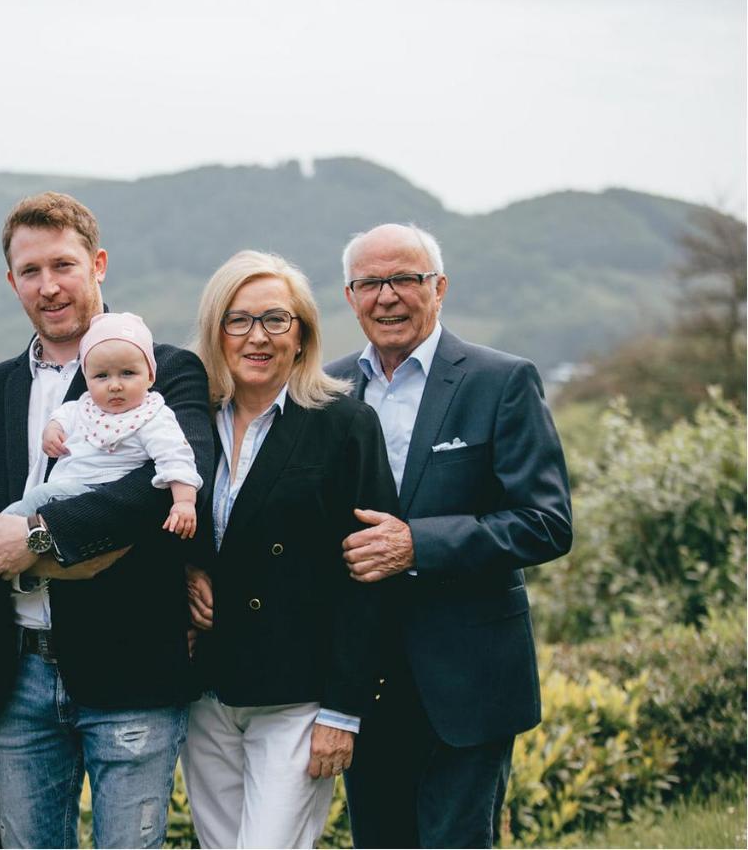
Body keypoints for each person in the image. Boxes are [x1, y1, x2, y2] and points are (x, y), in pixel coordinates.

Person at [0, 192, 216, 848]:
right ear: (12, 282)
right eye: (30, 271)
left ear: (99, 264)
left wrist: (34, 539)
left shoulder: (164, 370)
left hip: (132, 663)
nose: (48, 285)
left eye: (63, 265)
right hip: (17, 676)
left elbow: (163, 490)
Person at [326, 224, 573, 848]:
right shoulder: (324, 390)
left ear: (439, 289)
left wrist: (419, 544)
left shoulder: (501, 380)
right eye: (370, 283)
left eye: (405, 279)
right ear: (350, 296)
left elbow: (545, 521)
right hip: (361, 679)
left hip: (469, 680)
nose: (387, 296)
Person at [180, 250, 399, 848]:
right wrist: (188, 571)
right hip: (206, 690)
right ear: (216, 331)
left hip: (299, 693)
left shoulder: (345, 425)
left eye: (276, 320)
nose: (258, 336)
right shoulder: (188, 422)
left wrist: (343, 711)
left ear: (301, 335)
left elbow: (371, 575)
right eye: (239, 319)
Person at [0, 311, 202, 578]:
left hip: (112, 598)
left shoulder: (157, 404)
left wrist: (184, 502)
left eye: (128, 374)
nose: (115, 385)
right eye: (102, 377)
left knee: (37, 498)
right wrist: (53, 430)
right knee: (23, 507)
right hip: (4, 615)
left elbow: (179, 460)